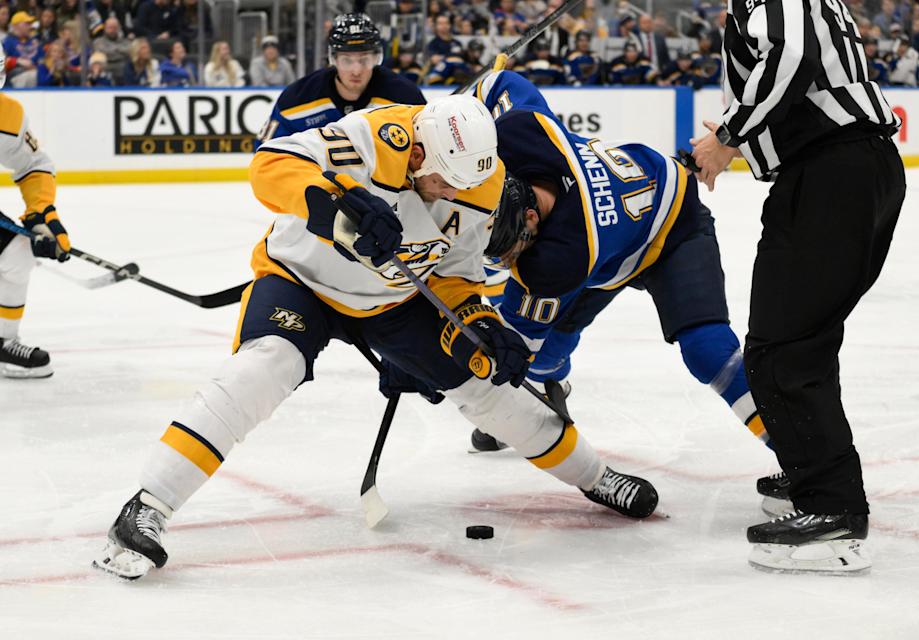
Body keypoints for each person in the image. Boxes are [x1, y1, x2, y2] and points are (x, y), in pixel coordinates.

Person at [92, 95, 659, 580]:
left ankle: (594, 475)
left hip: (393, 302)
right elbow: (269, 166)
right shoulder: (372, 134)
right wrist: (336, 208)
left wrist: (481, 323)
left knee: (488, 385)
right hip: (301, 280)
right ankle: (147, 508)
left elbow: (456, 278)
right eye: (439, 181)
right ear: (415, 152)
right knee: (266, 366)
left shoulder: (478, 183)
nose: (445, 195)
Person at [463, 70, 774, 470]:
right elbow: (498, 82)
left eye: (509, 250)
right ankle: (544, 389)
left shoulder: (555, 263)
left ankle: (799, 454)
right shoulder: (521, 131)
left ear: (530, 217)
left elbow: (511, 348)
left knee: (707, 350)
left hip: (674, 226)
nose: (506, 262)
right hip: (609, 247)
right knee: (542, 360)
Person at [690, 0, 903, 574]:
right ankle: (815, 472)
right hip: (844, 171)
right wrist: (737, 144)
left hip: (833, 175)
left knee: (784, 347)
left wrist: (730, 136)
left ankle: (832, 510)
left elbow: (792, 52)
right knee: (797, 339)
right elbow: (798, 80)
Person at [254, 13, 425, 150]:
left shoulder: (406, 98)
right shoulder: (296, 99)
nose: (356, 70)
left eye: (364, 59)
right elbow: (266, 153)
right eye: (346, 60)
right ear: (333, 59)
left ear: (376, 58)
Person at [0, 53, 71, 378]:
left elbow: (32, 164)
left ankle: (4, 341)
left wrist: (41, 212)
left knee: (17, 254)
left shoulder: (8, 114)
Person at [2, 12, 41, 88]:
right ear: (16, 26)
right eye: (26, 24)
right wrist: (17, 61)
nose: (30, 26)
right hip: (17, 75)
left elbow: (42, 59)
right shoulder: (7, 42)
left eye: (30, 24)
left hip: (36, 72)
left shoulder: (35, 41)